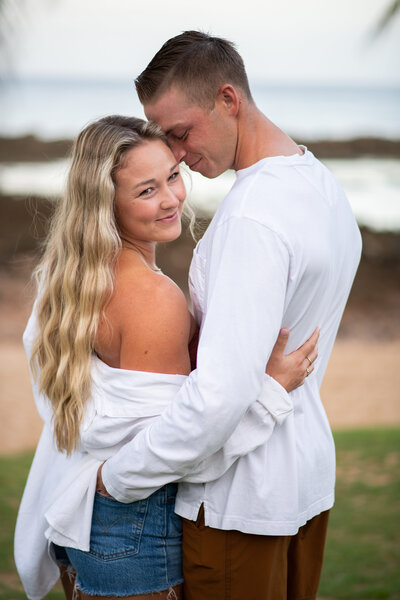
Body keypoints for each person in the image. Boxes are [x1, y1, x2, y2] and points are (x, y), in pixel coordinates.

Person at [96, 32, 363, 599]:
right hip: (306, 480)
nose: (175, 154)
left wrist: (119, 478)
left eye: (180, 132)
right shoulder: (321, 185)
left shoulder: (252, 217)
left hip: (240, 498)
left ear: (227, 98)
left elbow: (218, 396)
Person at [14, 115, 318, 600]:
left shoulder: (67, 278)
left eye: (173, 176)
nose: (172, 198)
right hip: (132, 531)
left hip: (83, 524)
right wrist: (271, 394)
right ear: (105, 205)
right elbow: (179, 449)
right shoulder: (154, 299)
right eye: (146, 190)